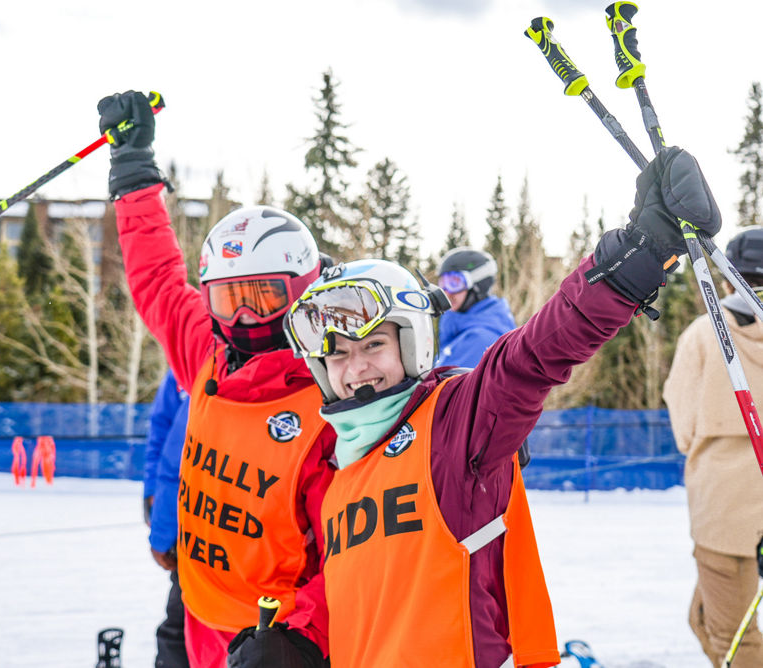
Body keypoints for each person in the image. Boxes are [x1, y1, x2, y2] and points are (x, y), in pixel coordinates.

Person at [255, 145, 719, 667]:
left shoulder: (453, 426)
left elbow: (531, 358)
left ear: (412, 345)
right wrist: (298, 638)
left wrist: (638, 254)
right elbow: (363, 588)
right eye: (336, 354)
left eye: (373, 345)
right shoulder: (340, 469)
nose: (355, 368)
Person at [97, 90, 335, 668]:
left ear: (303, 289)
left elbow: (355, 551)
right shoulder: (207, 352)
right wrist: (133, 175)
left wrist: (303, 638)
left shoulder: (337, 391)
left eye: (263, 296)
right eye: (228, 299)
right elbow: (155, 275)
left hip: (274, 637)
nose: (244, 317)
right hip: (197, 609)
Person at [663, 226, 763, 668]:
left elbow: (683, 425)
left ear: (727, 277)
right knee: (703, 618)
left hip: (723, 509)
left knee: (732, 636)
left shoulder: (706, 333)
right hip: (735, 510)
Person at [142, 368, 191, 668]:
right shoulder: (182, 370)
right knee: (179, 631)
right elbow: (162, 438)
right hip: (190, 529)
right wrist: (152, 496)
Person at [435, 247, 516, 368]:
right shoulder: (460, 329)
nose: (447, 292)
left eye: (454, 283)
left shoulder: (480, 340)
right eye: (443, 284)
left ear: (478, 285)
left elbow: (438, 385)